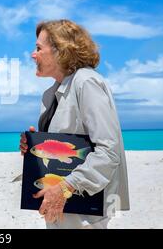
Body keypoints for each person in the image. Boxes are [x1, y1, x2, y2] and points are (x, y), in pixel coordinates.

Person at [19, 19, 130, 229]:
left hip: (83, 211)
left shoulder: (86, 82)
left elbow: (109, 152)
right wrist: (36, 148)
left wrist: (66, 187)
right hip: (65, 207)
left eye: (38, 48)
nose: (33, 55)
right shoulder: (52, 93)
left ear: (61, 50)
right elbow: (65, 151)